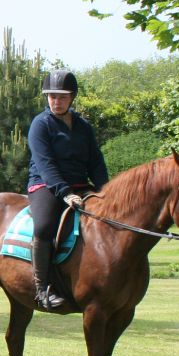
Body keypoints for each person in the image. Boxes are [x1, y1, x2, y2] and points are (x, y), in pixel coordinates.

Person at [26, 68, 110, 311]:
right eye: (52, 96)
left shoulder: (83, 126)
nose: (56, 101)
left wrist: (106, 190)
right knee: (43, 227)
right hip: (46, 185)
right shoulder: (40, 125)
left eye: (62, 96)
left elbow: (95, 160)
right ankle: (42, 289)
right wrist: (64, 192)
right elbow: (45, 163)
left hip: (81, 187)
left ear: (72, 97)